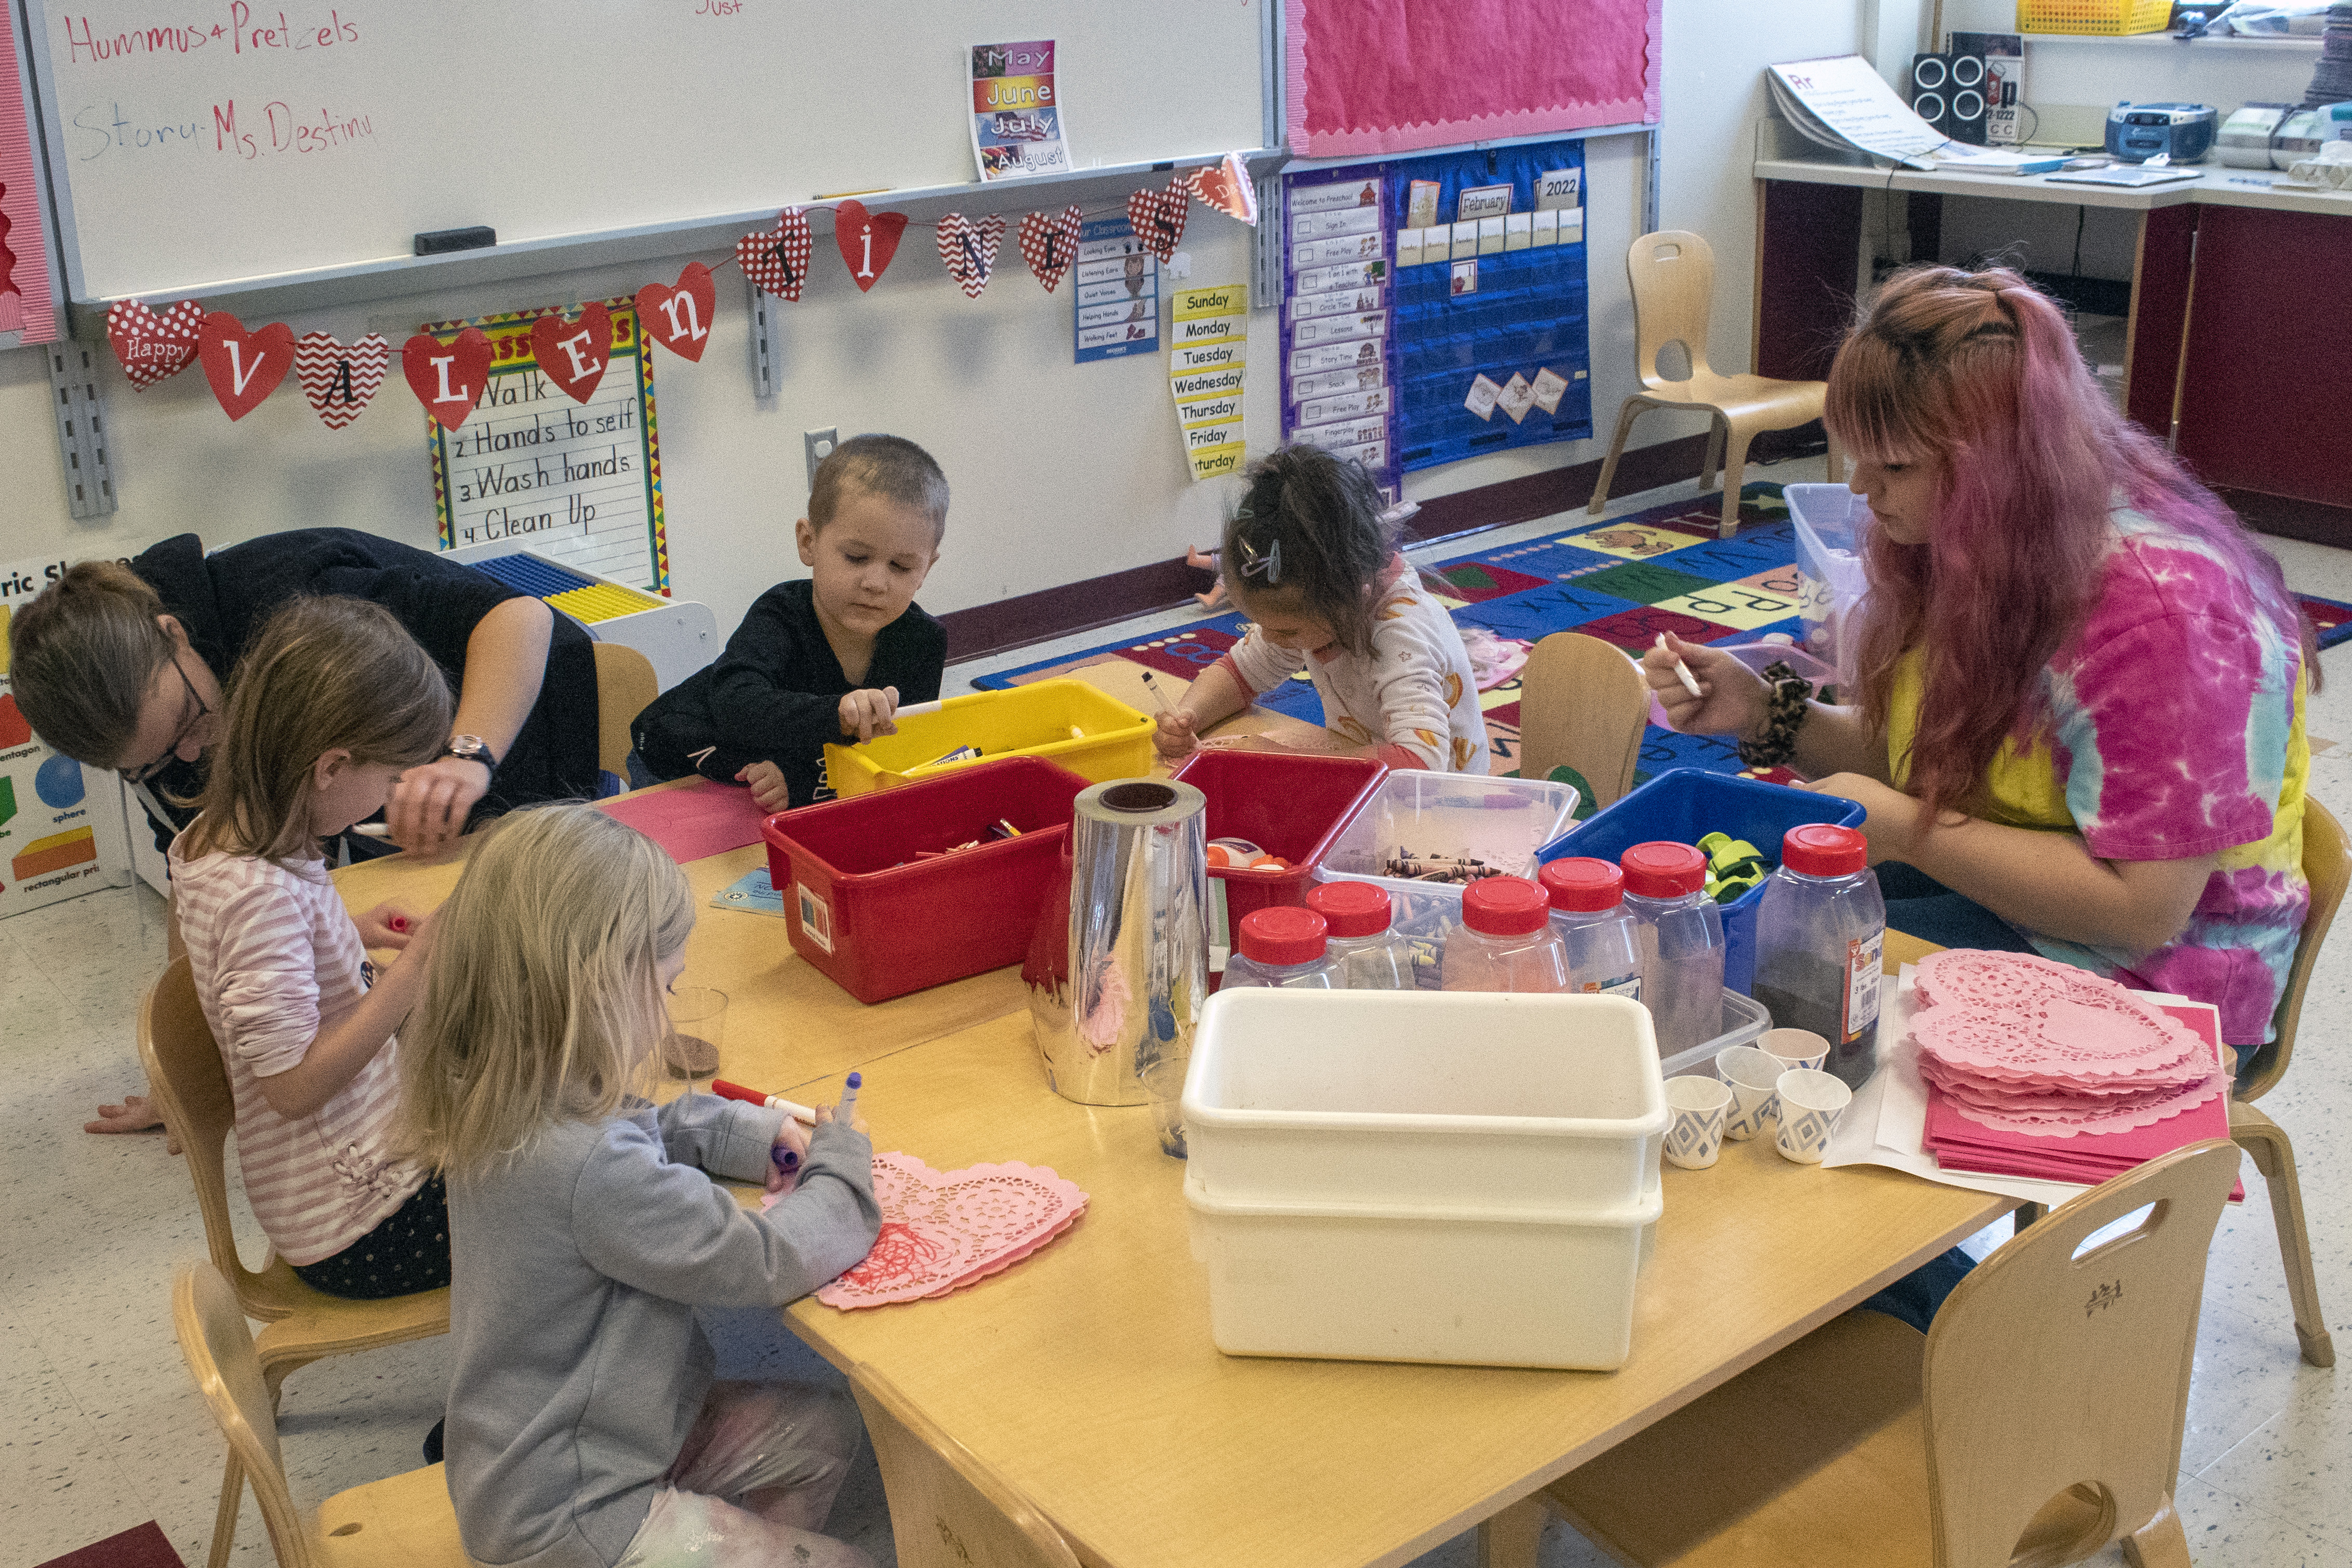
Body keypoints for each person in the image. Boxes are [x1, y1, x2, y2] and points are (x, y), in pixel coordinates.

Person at [1645, 264, 2316, 1056]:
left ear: (1996, 468)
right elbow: (1933, 760)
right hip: (2015, 903)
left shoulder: (2163, 615)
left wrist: (1913, 834)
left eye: (1893, 467)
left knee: (1782, 999)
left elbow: (2143, 911)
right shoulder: (1976, 543)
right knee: (1733, 948)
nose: (1861, 488)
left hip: (2157, 984)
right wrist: (1768, 713)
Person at [397, 802, 881, 1568]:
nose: (665, 1012)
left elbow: (635, 1126)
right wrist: (843, 1163)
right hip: (579, 1516)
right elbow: (766, 1259)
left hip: (541, 1463)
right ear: (594, 984)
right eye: (664, 985)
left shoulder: (504, 1090)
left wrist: (747, 1135)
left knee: (824, 1434)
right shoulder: (592, 1170)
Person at [8, 527, 597, 1137]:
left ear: (173, 633)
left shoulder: (294, 605)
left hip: (512, 714)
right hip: (397, 785)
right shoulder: (143, 719)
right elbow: (193, 880)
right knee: (458, 978)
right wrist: (187, 1076)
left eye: (190, 721)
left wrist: (467, 759)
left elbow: (521, 617)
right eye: (154, 763)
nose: (193, 750)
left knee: (541, 967)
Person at [170, 597, 451, 1300]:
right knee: (571, 1182)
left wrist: (345, 928)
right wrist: (413, 972)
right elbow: (292, 1087)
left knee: (540, 1113)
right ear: (330, 766)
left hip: (348, 1190)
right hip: (363, 1224)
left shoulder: (224, 838)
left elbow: (249, 948)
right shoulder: (256, 895)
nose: (388, 799)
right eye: (389, 780)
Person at [632, 434, 948, 813]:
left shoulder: (924, 640)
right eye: (855, 557)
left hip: (779, 774)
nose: (875, 583)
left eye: (900, 567)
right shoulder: (780, 613)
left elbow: (898, 751)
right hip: (680, 753)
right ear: (808, 542)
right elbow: (736, 706)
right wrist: (837, 716)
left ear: (926, 568)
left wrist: (796, 778)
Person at [1153, 445, 1487, 772]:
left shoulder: (1399, 629)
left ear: (1348, 596)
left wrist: (1285, 759)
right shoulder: (1319, 610)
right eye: (1258, 622)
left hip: (1445, 804)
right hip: (1367, 780)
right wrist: (1186, 717)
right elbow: (1240, 673)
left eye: (1286, 631)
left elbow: (1421, 762)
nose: (1267, 637)